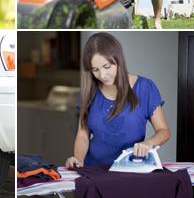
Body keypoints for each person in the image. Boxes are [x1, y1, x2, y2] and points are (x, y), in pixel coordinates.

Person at [65, 32, 170, 169]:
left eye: (107, 67)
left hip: (131, 170)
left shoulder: (145, 88)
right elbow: (83, 134)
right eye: (95, 70)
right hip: (94, 170)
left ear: (118, 59)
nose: (102, 75)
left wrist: (148, 143)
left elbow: (163, 131)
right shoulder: (89, 92)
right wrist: (78, 160)